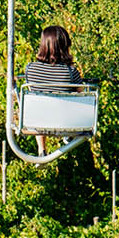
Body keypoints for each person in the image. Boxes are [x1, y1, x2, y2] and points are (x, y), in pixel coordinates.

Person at [23, 25, 85, 155]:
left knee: (39, 105)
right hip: (64, 121)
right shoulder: (70, 71)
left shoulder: (31, 69)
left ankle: (42, 148)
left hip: (38, 121)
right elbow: (82, 93)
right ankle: (68, 135)